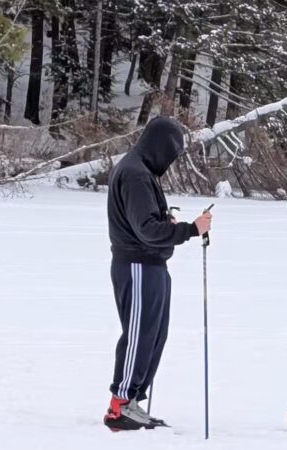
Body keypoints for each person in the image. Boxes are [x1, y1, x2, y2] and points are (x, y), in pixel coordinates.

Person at [103, 116, 213, 431]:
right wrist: (191, 230)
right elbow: (147, 230)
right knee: (139, 336)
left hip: (152, 265)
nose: (171, 161)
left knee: (154, 335)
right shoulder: (135, 173)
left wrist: (170, 223)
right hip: (137, 265)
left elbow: (149, 221)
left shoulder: (143, 171)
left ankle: (133, 401)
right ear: (159, 145)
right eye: (171, 153)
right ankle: (119, 405)